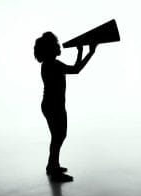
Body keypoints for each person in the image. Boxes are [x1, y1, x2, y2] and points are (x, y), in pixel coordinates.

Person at [34, 32, 96, 182]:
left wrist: (82, 52)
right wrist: (89, 52)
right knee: (58, 137)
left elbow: (75, 68)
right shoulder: (53, 64)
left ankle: (52, 165)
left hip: (50, 105)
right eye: (56, 45)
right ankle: (54, 170)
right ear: (50, 50)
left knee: (57, 137)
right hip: (54, 106)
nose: (59, 46)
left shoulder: (48, 64)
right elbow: (76, 69)